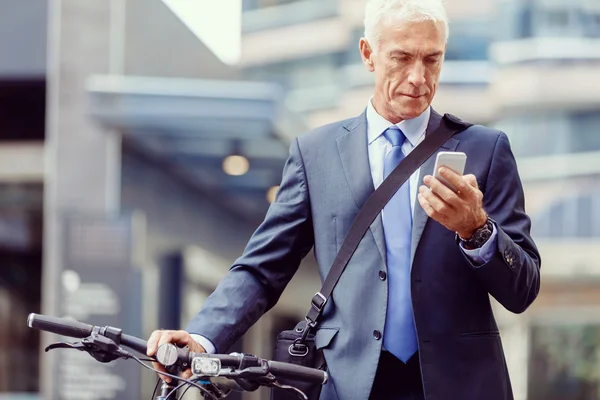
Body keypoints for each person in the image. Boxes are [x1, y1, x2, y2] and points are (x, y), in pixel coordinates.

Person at [147, 0, 541, 398]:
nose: (419, 78)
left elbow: (523, 289)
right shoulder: (315, 154)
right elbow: (262, 269)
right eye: (401, 58)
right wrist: (201, 337)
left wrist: (477, 230)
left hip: (460, 385)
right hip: (347, 383)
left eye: (432, 59)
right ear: (368, 54)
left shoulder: (486, 150)